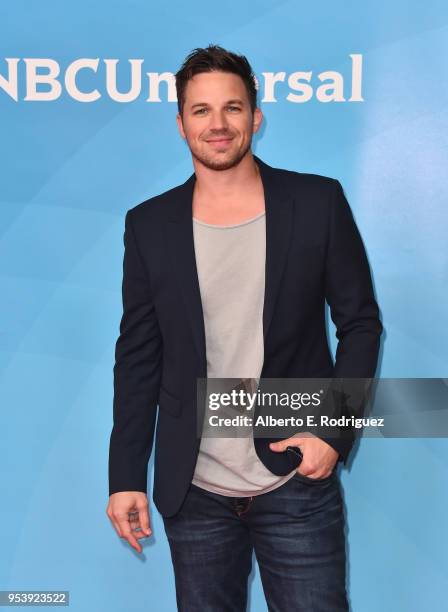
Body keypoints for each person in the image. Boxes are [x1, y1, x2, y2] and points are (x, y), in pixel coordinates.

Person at [106, 44, 383, 611]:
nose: (218, 124)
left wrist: (332, 434)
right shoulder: (149, 224)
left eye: (232, 108)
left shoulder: (317, 202)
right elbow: (138, 357)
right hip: (195, 491)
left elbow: (360, 325)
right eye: (201, 110)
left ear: (255, 117)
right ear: (180, 124)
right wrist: (125, 474)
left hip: (295, 482)